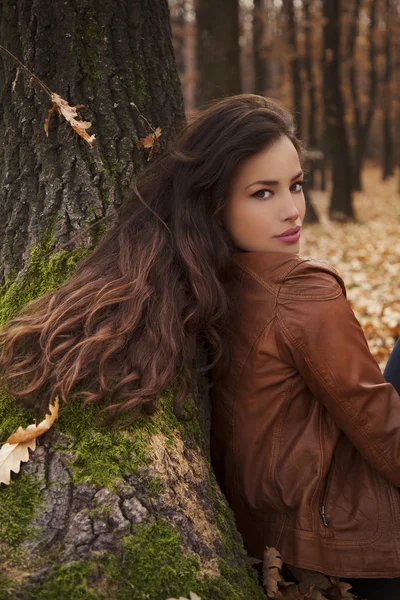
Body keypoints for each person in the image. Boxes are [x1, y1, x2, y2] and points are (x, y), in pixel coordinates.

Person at [0, 94, 399, 599]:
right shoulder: (303, 291)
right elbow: (376, 418)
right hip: (345, 548)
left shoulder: (187, 280)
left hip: (264, 537)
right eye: (262, 193)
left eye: (296, 186)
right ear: (215, 202)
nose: (293, 209)